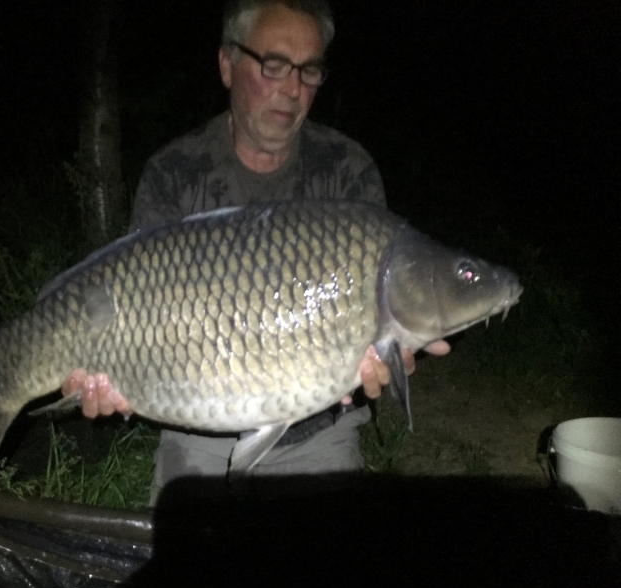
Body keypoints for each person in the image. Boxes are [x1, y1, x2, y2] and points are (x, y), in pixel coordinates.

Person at [63, 0, 449, 505]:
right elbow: (132, 319)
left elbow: (379, 335)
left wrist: (390, 355)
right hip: (196, 428)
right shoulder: (174, 172)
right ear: (227, 65)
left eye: (309, 70)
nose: (293, 88)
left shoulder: (347, 170)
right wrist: (109, 385)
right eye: (274, 65)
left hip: (319, 427)